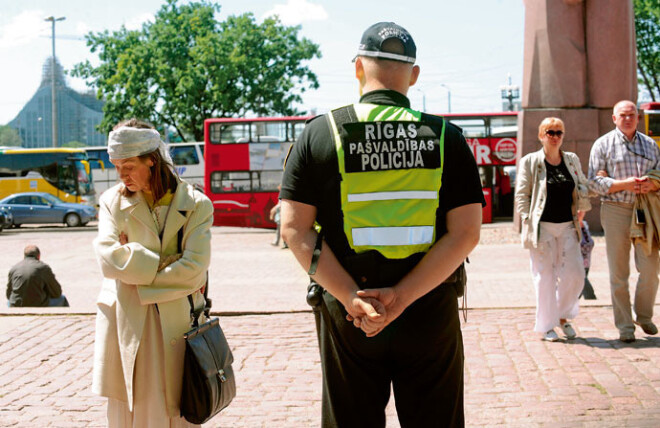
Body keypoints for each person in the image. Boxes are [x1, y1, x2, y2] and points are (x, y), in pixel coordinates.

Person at [280, 22, 484, 427]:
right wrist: (403, 297)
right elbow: (466, 233)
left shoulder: (321, 133)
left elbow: (294, 229)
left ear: (358, 68)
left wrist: (352, 297)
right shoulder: (447, 137)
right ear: (413, 75)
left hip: (349, 309)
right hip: (428, 305)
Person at [92, 119, 213, 426]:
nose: (121, 175)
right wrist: (166, 261)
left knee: (179, 406)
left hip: (179, 322)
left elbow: (195, 271)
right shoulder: (111, 202)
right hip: (127, 320)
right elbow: (107, 260)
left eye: (128, 165)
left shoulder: (197, 204)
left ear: (152, 159)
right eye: (116, 165)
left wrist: (134, 265)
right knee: (132, 410)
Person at [588, 100, 660, 343]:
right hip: (615, 209)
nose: (628, 119)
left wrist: (652, 182)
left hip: (645, 210)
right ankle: (625, 327)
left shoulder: (651, 144)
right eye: (623, 115)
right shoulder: (603, 145)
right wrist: (623, 184)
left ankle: (644, 315)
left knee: (650, 269)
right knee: (619, 273)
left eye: (632, 115)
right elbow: (594, 183)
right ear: (614, 118)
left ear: (638, 117)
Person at [515, 117, 591, 341]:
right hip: (542, 228)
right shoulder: (530, 161)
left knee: (575, 275)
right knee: (544, 278)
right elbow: (522, 195)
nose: (555, 137)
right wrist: (529, 220)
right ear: (541, 135)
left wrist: (583, 206)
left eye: (559, 132)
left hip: (568, 225)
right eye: (550, 132)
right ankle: (547, 325)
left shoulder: (572, 160)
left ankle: (562, 316)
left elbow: (582, 184)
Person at [579, 214, 597, 300]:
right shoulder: (570, 227)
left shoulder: (585, 225)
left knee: (579, 287)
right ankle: (591, 299)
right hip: (576, 263)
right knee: (582, 281)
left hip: (586, 263)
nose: (579, 212)